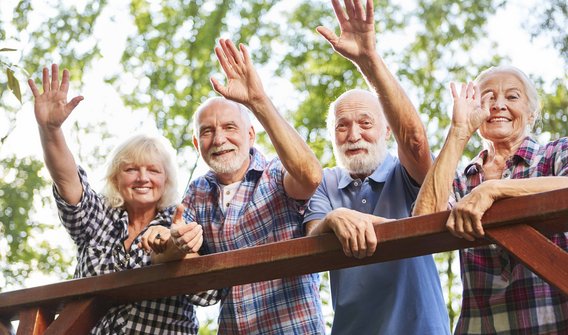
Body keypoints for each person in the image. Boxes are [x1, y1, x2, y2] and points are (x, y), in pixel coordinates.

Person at [28, 64, 220, 334]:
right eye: (131, 169)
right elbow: (67, 179)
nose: (143, 178)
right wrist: (50, 130)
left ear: (166, 180)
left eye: (153, 170)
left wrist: (180, 247)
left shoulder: (183, 220)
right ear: (116, 178)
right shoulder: (99, 220)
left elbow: (208, 294)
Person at [152, 38, 325, 334]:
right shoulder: (197, 193)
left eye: (230, 127)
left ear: (251, 135)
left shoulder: (274, 173)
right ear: (197, 144)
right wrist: (175, 245)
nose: (219, 139)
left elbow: (311, 177)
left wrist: (258, 100)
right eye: (207, 132)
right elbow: (168, 256)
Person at [303, 0, 451, 334]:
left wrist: (368, 60)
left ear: (386, 131)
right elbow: (312, 239)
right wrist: (333, 217)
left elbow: (414, 139)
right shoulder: (326, 183)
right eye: (342, 126)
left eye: (365, 123)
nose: (354, 134)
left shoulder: (405, 173)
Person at [413, 66, 568, 334]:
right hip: (482, 326)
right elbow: (423, 218)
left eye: (512, 97)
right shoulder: (462, 180)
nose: (498, 105)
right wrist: (460, 129)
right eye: (487, 97)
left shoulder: (554, 154)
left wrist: (494, 189)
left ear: (531, 112)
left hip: (554, 320)